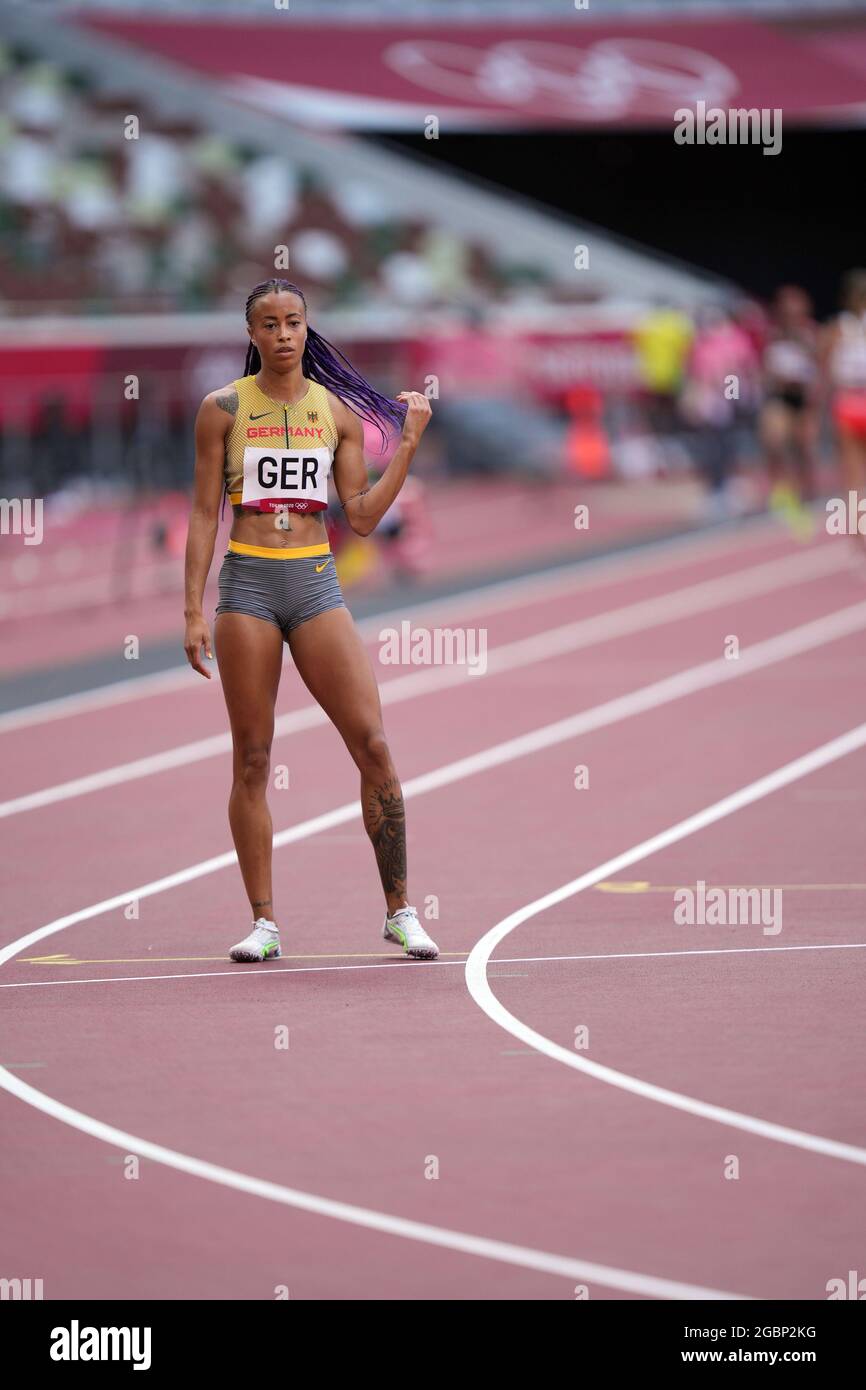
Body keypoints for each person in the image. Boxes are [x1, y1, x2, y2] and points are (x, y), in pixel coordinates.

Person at [183, 278, 439, 962]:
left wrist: (407, 446)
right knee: (254, 759)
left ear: (306, 327)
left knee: (374, 745)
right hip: (247, 589)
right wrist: (192, 610)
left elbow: (358, 515)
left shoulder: (337, 414)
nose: (284, 334)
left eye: (293, 321)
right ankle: (264, 922)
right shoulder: (223, 410)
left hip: (317, 584)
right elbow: (205, 513)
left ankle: (399, 910)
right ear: (252, 335)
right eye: (269, 324)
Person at [759, 286, 819, 533]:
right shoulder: (771, 334)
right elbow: (760, 368)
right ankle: (779, 494)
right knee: (773, 441)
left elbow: (821, 365)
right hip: (778, 396)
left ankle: (808, 492)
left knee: (803, 447)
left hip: (803, 398)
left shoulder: (811, 332)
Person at [820, 269, 866, 558]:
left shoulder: (836, 328)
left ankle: (858, 544)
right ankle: (858, 542)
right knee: (853, 481)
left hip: (848, 401)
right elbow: (824, 371)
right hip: (851, 403)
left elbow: (824, 372)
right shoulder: (839, 328)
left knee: (854, 482)